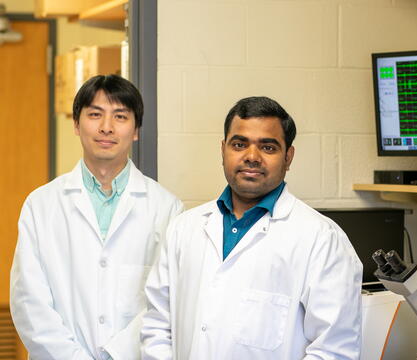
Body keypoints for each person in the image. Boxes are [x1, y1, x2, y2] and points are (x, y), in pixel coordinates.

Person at [141, 96, 363, 359]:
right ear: (223, 150)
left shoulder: (322, 239)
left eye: (268, 147)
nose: (251, 157)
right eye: (239, 144)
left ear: (288, 157)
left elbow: (334, 350)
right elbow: (157, 325)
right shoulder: (184, 228)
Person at [10, 74, 183, 360]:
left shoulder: (167, 208)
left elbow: (165, 300)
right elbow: (28, 299)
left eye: (120, 116)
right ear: (76, 124)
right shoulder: (40, 205)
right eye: (95, 114)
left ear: (136, 129)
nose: (106, 128)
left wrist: (117, 354)